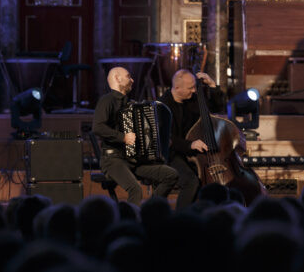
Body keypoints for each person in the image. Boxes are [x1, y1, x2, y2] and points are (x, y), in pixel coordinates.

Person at [92, 67, 178, 206]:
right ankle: (131, 224)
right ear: (117, 78)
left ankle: (150, 211)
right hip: (113, 160)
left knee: (170, 175)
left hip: (133, 159)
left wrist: (156, 140)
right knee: (135, 189)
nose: (132, 80)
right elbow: (98, 127)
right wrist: (123, 137)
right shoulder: (107, 100)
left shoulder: (131, 104)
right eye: (128, 76)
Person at [159, 69, 224, 210]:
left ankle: (199, 215)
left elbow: (217, 108)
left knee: (206, 180)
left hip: (192, 153)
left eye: (195, 87)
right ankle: (182, 219)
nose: (194, 91)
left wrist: (212, 85)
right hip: (170, 154)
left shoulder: (193, 100)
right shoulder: (162, 106)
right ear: (177, 88)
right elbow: (166, 139)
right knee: (191, 181)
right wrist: (191, 144)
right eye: (190, 88)